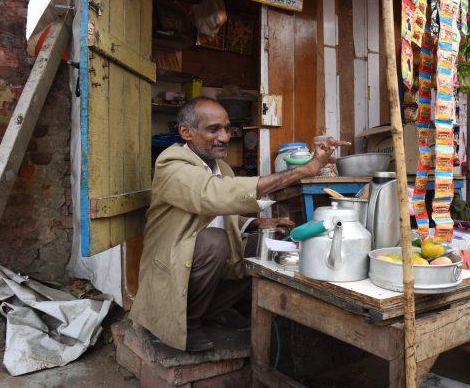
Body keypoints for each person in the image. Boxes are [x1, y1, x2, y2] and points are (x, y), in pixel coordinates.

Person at [129, 96, 349, 351]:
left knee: (267, 245)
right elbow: (214, 196)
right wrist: (303, 170)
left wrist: (259, 222)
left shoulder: (222, 167)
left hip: (206, 260)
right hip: (176, 261)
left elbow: (225, 213)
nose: (224, 137)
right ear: (186, 132)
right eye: (213, 129)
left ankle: (216, 309)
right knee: (215, 242)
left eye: (227, 128)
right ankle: (186, 324)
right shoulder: (171, 164)